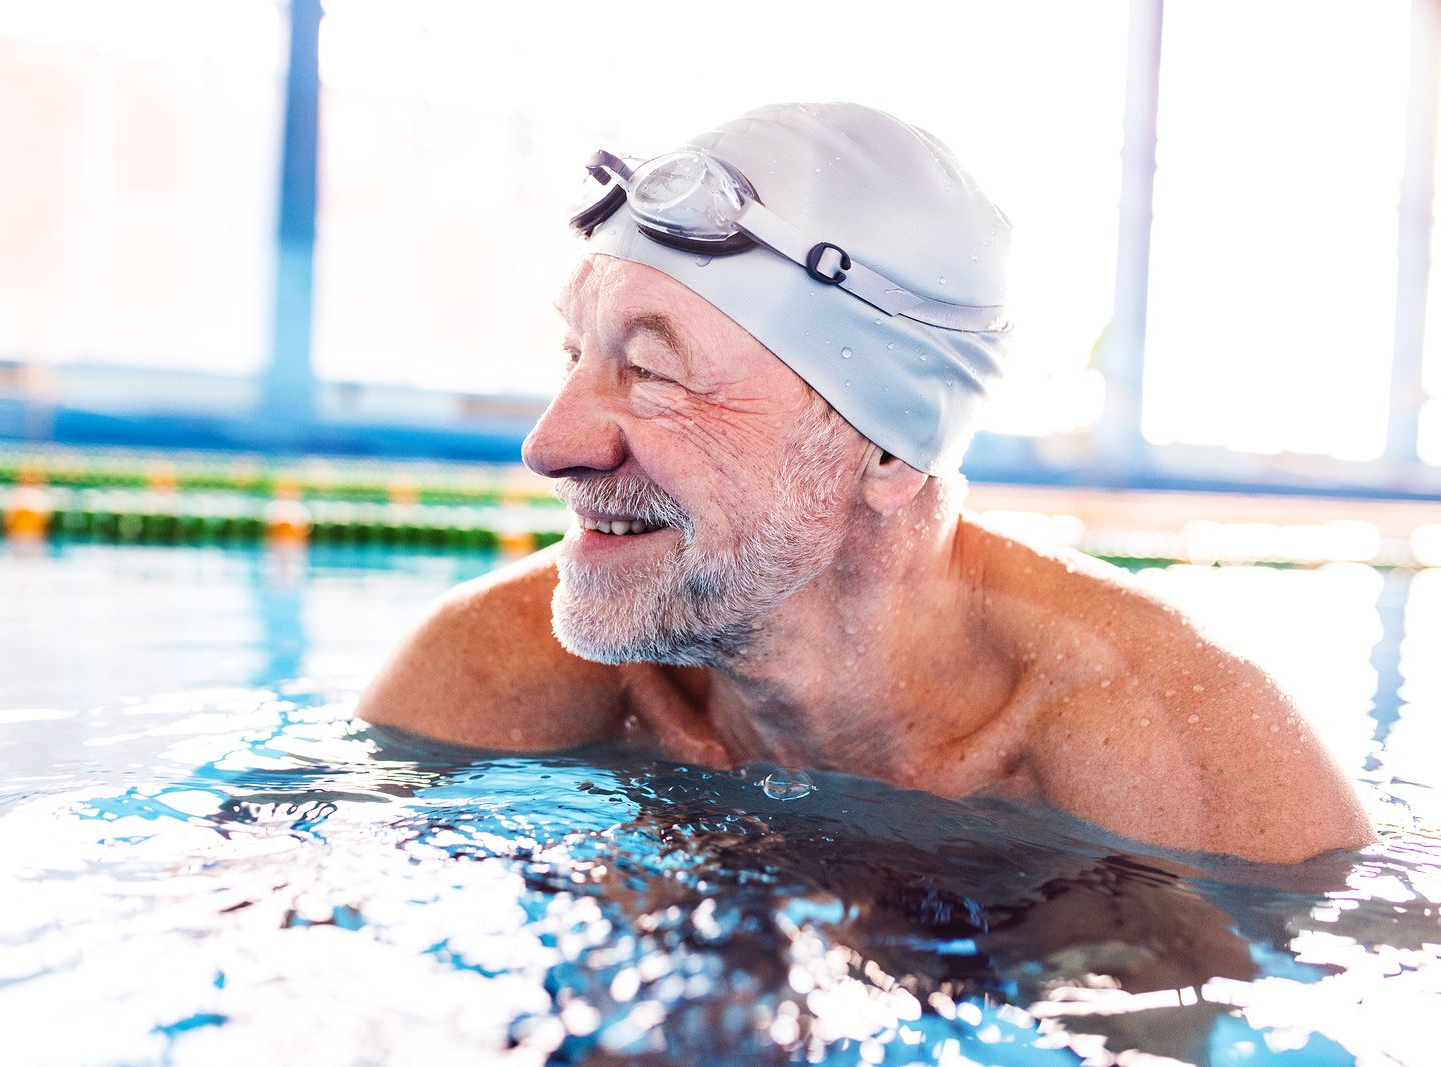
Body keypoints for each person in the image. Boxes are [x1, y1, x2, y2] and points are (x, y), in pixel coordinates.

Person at [357, 102, 1373, 864]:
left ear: (888, 448)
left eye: (652, 372)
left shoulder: (1178, 752)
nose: (551, 443)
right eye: (572, 355)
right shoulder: (494, 666)